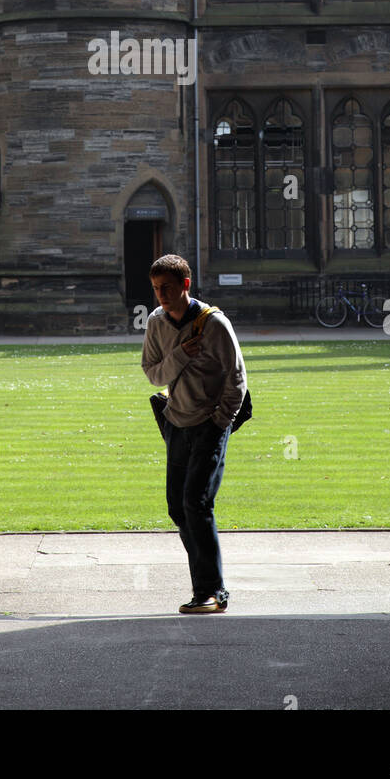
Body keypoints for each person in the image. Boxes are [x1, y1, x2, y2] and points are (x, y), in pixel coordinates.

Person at [141, 253, 247, 614]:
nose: (161, 295)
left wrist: (220, 421)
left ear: (186, 284)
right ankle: (208, 578)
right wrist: (181, 356)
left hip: (208, 425)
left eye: (167, 288)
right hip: (176, 423)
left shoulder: (214, 324)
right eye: (156, 288)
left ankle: (210, 590)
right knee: (177, 507)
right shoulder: (156, 322)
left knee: (197, 503)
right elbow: (154, 373)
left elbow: (237, 380)